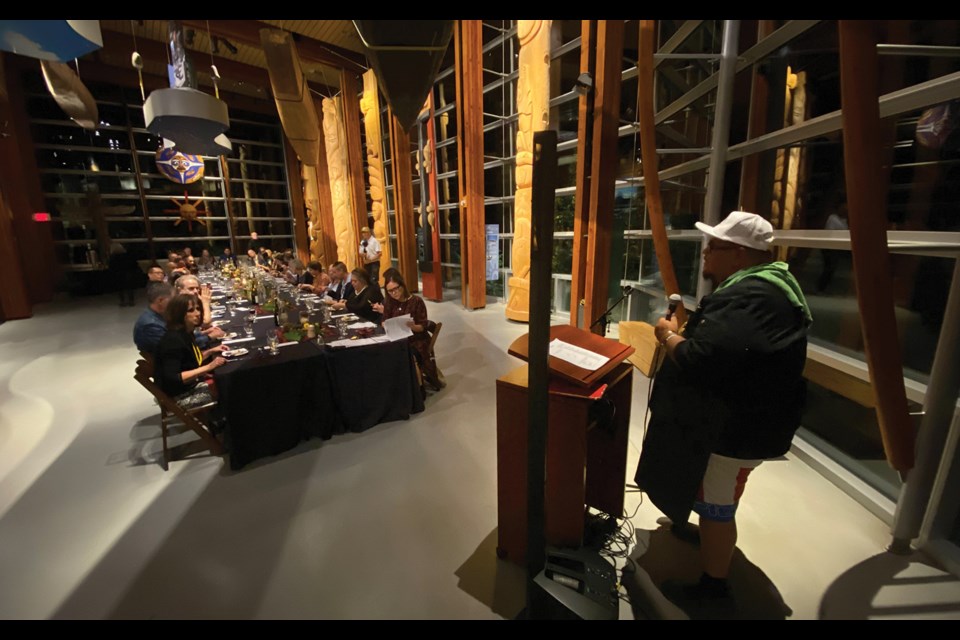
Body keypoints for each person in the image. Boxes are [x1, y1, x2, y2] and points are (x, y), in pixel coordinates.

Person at [634, 210, 812, 612]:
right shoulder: (769, 289)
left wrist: (666, 336)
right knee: (720, 493)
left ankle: (713, 588)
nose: (706, 254)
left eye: (713, 247)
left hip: (734, 430)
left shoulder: (750, 296)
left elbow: (700, 359)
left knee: (718, 504)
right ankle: (710, 534)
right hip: (750, 422)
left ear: (739, 254)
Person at [153, 293, 227, 409]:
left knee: (226, 380)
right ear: (179, 314)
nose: (197, 313)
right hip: (180, 396)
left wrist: (211, 351)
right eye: (190, 310)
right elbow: (173, 377)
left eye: (198, 309)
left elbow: (189, 360)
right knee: (228, 387)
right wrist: (209, 366)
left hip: (190, 386)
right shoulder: (173, 340)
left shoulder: (185, 332)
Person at [372, 272, 440, 389]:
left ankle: (417, 389)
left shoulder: (416, 301)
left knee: (406, 354)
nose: (394, 293)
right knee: (380, 352)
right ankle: (394, 387)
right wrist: (385, 324)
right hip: (396, 337)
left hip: (416, 339)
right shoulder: (389, 302)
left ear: (402, 286)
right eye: (390, 291)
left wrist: (413, 326)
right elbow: (384, 320)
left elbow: (422, 326)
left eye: (396, 289)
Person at [134, 282, 174, 353]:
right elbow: (175, 347)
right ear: (160, 301)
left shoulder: (161, 315)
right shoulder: (151, 326)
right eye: (173, 300)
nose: (175, 302)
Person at [108, 241, 140, 307]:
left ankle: (122, 301)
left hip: (118, 274)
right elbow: (134, 264)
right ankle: (131, 301)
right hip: (128, 273)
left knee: (120, 289)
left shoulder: (113, 258)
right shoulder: (128, 256)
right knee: (129, 288)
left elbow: (111, 267)